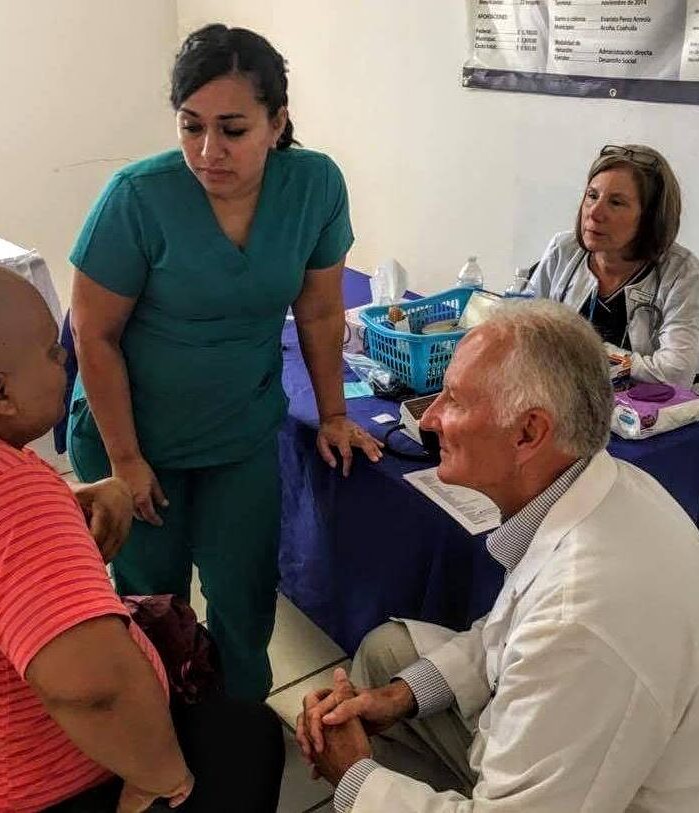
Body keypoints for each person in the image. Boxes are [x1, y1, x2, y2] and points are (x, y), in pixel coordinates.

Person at [0, 262, 283, 813]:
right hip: (18, 793)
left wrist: (63, 512)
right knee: (247, 737)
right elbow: (94, 689)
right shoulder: (7, 494)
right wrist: (159, 776)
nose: (63, 360)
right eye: (52, 352)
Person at [66, 23, 382, 702]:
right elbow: (93, 335)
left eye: (233, 129)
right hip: (134, 432)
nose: (208, 151)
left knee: (243, 593)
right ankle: (161, 733)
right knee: (154, 604)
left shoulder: (314, 186)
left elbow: (321, 312)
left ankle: (237, 728)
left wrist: (333, 414)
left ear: (277, 123)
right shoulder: (138, 198)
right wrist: (125, 462)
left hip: (237, 428)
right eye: (191, 126)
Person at [296, 299, 699, 811]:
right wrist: (401, 697)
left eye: (456, 399)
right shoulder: (610, 485)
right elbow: (505, 632)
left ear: (529, 432)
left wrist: (354, 778)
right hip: (590, 748)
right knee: (387, 656)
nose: (431, 416)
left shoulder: (581, 621)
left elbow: (551, 634)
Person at [526, 143, 699, 386]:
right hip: (562, 400)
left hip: (641, 418)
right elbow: (522, 330)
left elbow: (675, 372)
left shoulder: (682, 273)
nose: (595, 213)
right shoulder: (563, 249)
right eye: (592, 196)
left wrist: (587, 349)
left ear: (650, 218)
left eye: (616, 203)